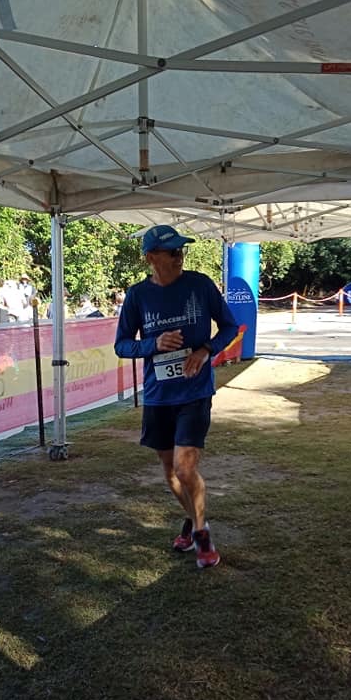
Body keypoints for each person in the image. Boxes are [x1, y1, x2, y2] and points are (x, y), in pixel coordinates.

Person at [114, 224, 238, 569]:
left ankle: (202, 535)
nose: (178, 255)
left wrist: (205, 350)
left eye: (181, 249)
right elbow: (121, 344)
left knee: (186, 467)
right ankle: (191, 517)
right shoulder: (138, 296)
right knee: (170, 472)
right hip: (158, 395)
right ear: (151, 257)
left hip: (193, 391)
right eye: (171, 251)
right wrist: (152, 344)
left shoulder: (199, 284)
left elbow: (229, 325)